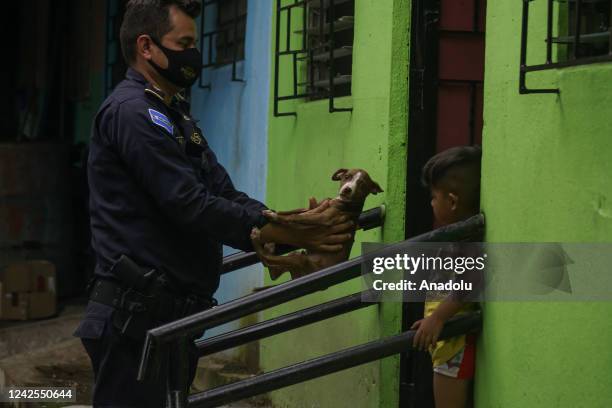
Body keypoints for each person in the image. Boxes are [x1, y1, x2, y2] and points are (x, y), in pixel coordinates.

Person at [73, 1, 353, 406]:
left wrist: (288, 225)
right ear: (146, 47)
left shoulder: (175, 115)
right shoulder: (132, 113)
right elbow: (189, 203)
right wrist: (290, 230)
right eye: (183, 43)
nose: (193, 55)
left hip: (171, 322)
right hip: (134, 324)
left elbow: (224, 195)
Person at [411, 145, 482, 408]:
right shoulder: (458, 235)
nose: (431, 203)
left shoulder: (467, 241)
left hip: (455, 345)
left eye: (434, 197)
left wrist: (439, 317)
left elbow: (470, 284)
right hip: (448, 342)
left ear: (452, 201)